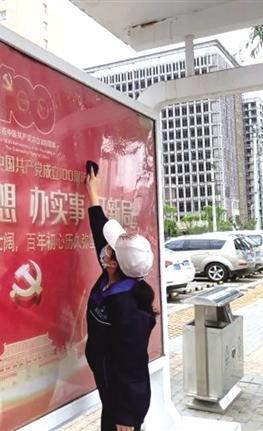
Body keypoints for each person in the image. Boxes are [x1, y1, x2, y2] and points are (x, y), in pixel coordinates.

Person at [84, 169, 157, 431]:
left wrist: (126, 415)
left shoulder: (130, 311)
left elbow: (133, 366)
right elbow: (99, 231)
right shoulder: (114, 278)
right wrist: (92, 191)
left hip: (123, 404)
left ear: (113, 262)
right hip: (109, 388)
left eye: (110, 248)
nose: (104, 248)